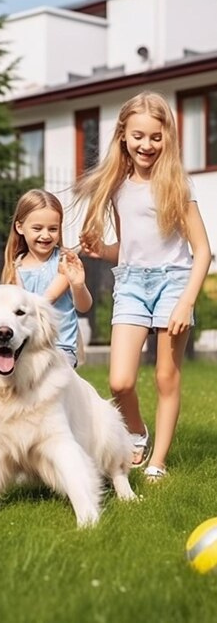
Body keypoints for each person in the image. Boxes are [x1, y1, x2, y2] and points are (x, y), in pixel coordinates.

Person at [74, 90, 211, 480]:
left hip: (173, 284)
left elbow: (201, 251)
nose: (146, 144)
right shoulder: (117, 186)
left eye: (155, 136)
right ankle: (137, 430)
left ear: (167, 136)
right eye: (138, 136)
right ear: (123, 136)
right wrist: (102, 250)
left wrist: (185, 303)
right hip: (132, 283)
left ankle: (158, 463)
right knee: (120, 381)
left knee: (166, 375)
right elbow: (131, 248)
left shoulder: (176, 185)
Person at [1, 188, 93, 367]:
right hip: (26, 348)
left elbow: (82, 306)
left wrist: (78, 286)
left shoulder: (64, 261)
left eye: (53, 229)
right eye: (37, 228)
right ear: (20, 227)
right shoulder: (15, 267)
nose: (45, 235)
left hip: (60, 347)